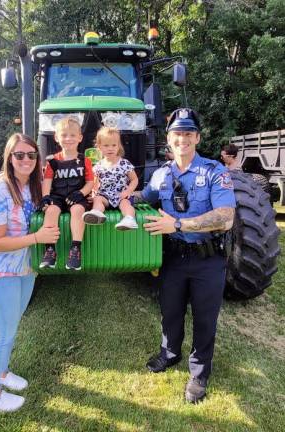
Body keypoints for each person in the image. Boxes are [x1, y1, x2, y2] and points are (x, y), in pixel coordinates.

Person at [138, 108, 236, 403]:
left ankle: (199, 373)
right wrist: (108, 196)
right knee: (170, 311)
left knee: (205, 319)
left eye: (188, 133)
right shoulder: (160, 175)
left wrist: (177, 223)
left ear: (197, 137)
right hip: (173, 257)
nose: (182, 139)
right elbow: (143, 197)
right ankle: (170, 353)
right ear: (168, 138)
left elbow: (225, 217)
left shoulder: (215, 172)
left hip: (208, 259)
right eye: (176, 134)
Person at [0, 133, 60, 412]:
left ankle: (2, 373)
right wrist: (38, 238)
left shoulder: (31, 187)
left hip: (24, 268)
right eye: (19, 155)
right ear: (9, 158)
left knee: (11, 329)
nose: (25, 160)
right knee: (1, 334)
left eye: (31, 155)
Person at [39, 117, 94, 270]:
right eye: (64, 135)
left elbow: (90, 182)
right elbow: (47, 181)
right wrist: (45, 198)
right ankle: (50, 250)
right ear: (57, 138)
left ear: (80, 138)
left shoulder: (85, 160)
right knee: (50, 211)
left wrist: (81, 193)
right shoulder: (52, 161)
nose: (68, 138)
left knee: (78, 210)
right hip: (58, 196)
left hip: (76, 197)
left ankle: (75, 249)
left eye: (72, 135)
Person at [82, 127, 139, 230]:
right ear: (99, 147)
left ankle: (129, 219)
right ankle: (97, 214)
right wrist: (93, 194)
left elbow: (134, 179)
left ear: (118, 146)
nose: (110, 148)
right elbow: (95, 183)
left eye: (114, 145)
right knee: (98, 199)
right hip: (105, 197)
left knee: (126, 204)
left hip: (121, 195)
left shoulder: (124, 163)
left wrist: (128, 191)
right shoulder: (98, 166)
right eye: (106, 145)